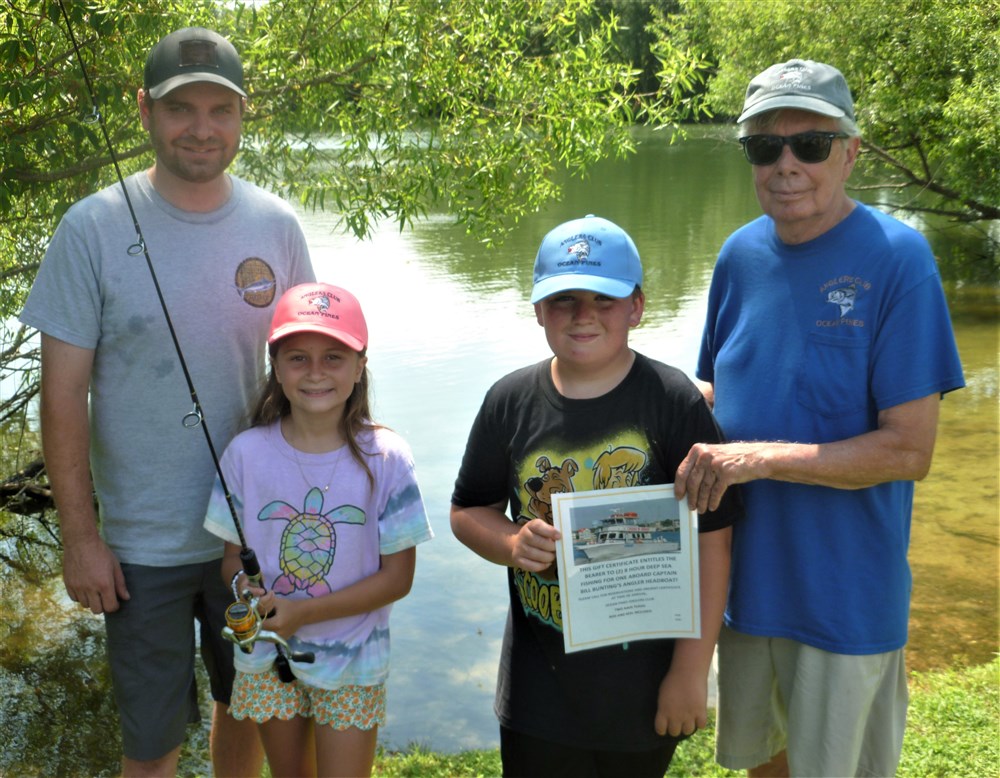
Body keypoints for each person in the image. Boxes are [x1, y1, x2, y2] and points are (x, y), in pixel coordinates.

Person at [19, 27, 316, 777]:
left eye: (222, 108)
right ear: (145, 110)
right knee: (149, 744)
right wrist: (81, 540)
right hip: (138, 549)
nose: (203, 128)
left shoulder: (277, 226)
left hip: (250, 540)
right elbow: (61, 399)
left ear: (244, 117)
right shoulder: (89, 228)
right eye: (183, 108)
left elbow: (314, 376)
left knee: (247, 708)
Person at [673, 59, 965, 778]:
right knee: (761, 767)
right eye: (764, 147)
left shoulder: (899, 260)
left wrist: (757, 459)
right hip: (746, 592)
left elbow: (907, 452)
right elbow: (718, 391)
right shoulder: (739, 256)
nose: (786, 165)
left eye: (810, 144)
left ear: (851, 151)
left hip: (846, 601)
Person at [450, 215, 742, 777]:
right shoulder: (509, 401)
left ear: (636, 306)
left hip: (643, 682)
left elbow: (714, 540)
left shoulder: (675, 401)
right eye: (563, 300)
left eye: (604, 299)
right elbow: (468, 511)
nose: (583, 315)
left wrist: (690, 671)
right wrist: (511, 541)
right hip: (538, 690)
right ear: (538, 310)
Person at [204, 282, 433, 778]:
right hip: (269, 656)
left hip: (354, 660)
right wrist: (247, 590)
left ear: (359, 365)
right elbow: (230, 562)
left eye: (333, 357)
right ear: (276, 368)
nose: (315, 373)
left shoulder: (388, 458)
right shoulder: (245, 454)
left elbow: (398, 578)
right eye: (297, 358)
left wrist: (304, 610)